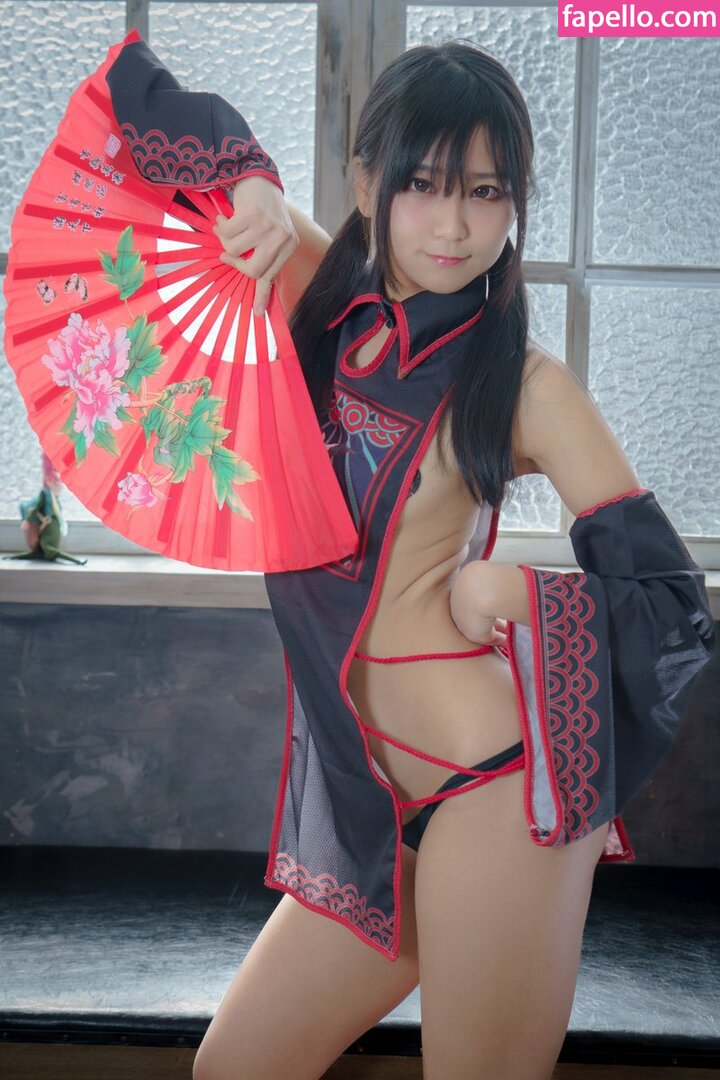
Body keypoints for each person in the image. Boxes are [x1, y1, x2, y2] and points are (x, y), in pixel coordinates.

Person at [107, 32, 715, 1080]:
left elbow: (673, 604)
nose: (453, 224)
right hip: (369, 799)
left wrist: (511, 590)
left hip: (494, 785)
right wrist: (248, 182)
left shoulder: (529, 387)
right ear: (365, 183)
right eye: (424, 184)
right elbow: (134, 92)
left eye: (485, 192)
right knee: (232, 1070)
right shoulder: (314, 296)